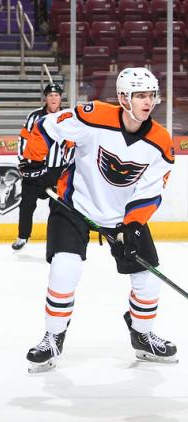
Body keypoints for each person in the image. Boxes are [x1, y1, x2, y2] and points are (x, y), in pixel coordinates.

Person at [22, 67, 177, 373]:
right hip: (74, 205)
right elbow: (44, 127)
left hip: (120, 218)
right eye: (140, 95)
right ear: (123, 98)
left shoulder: (160, 142)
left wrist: (132, 226)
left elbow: (151, 192)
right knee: (65, 269)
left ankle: (142, 335)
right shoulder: (92, 117)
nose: (148, 101)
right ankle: (53, 337)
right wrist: (34, 164)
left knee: (148, 280)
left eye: (151, 95)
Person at [12, 82, 70, 250]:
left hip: (57, 170)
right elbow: (23, 138)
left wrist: (70, 164)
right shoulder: (34, 116)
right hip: (35, 168)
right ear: (45, 98)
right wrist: (23, 160)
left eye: (57, 95)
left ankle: (56, 239)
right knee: (27, 204)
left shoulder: (67, 117)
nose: (53, 98)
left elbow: (73, 143)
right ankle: (23, 236)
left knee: (57, 207)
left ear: (60, 98)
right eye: (50, 95)